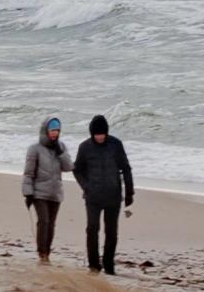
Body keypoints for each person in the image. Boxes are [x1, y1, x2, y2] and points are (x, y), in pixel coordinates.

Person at [72, 113, 136, 273]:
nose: (100, 137)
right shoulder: (84, 147)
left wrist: (129, 193)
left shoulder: (116, 145)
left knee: (111, 232)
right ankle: (94, 264)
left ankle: (109, 264)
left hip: (113, 197)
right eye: (96, 134)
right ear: (92, 133)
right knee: (92, 229)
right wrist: (86, 186)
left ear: (106, 132)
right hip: (92, 197)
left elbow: (126, 169)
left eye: (102, 134)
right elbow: (77, 169)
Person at [20, 117, 72, 262]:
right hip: (39, 192)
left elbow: (68, 168)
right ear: (45, 131)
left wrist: (61, 152)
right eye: (52, 130)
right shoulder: (34, 149)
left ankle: (47, 252)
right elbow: (28, 173)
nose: (55, 133)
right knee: (43, 221)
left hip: (55, 193)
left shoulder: (61, 146)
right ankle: (42, 252)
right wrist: (28, 193)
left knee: (51, 224)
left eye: (57, 130)